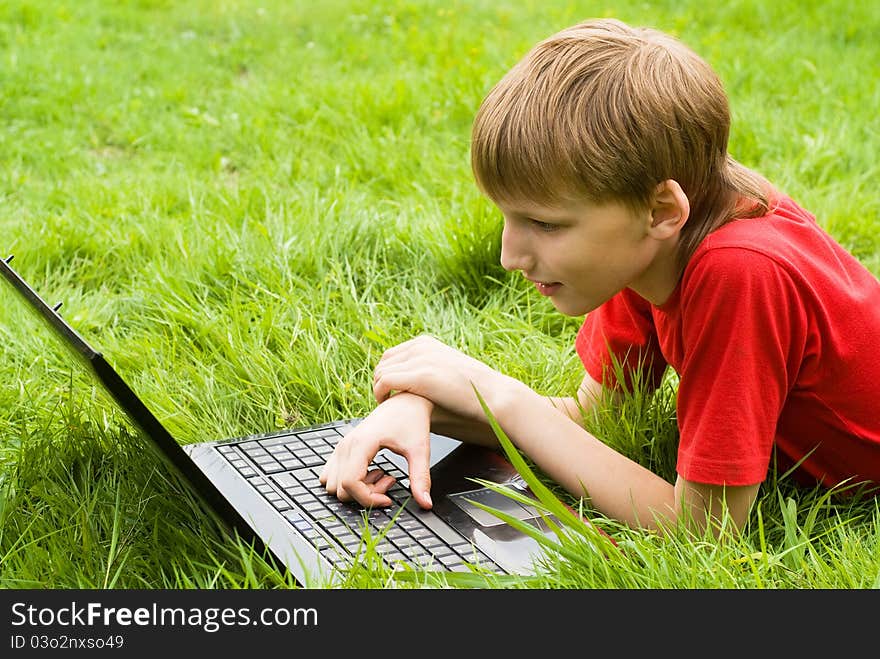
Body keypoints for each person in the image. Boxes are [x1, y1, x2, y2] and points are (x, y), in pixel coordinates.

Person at [319, 18, 880, 535]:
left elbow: (705, 529)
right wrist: (419, 407)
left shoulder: (739, 272)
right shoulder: (648, 244)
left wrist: (499, 394)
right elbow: (594, 421)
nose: (509, 256)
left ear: (662, 210)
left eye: (544, 223)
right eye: (508, 217)